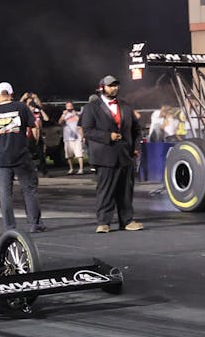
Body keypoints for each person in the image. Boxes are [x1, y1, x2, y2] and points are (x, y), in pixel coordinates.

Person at [80, 74, 143, 233]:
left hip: (125, 155)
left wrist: (136, 147)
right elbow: (87, 130)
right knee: (106, 191)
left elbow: (136, 129)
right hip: (105, 156)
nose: (114, 88)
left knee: (126, 191)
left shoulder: (125, 105)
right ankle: (103, 222)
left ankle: (127, 221)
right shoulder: (91, 107)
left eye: (115, 85)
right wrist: (108, 136)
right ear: (102, 88)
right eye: (110, 86)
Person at [0, 82, 46, 233]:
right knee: (29, 190)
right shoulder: (21, 107)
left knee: (5, 194)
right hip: (21, 156)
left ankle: (10, 227)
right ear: (11, 94)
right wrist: (32, 145)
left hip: (1, 158)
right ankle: (34, 224)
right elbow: (34, 127)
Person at [59, 101, 85, 174]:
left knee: (79, 154)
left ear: (73, 106)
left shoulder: (77, 114)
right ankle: (71, 168)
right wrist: (63, 115)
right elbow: (60, 122)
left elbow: (80, 122)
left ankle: (81, 168)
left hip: (77, 137)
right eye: (67, 106)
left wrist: (75, 115)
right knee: (69, 155)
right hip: (67, 137)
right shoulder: (64, 115)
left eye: (70, 106)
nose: (69, 108)